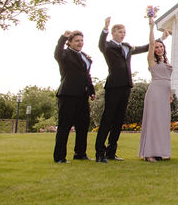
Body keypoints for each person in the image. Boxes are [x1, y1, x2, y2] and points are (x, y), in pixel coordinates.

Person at [95, 17, 148, 163]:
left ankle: (112, 151)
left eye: (124, 32)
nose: (122, 34)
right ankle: (100, 152)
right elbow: (100, 44)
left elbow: (144, 48)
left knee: (119, 120)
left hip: (126, 86)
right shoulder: (108, 46)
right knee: (108, 119)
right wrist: (104, 28)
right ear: (113, 33)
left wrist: (159, 39)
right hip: (113, 86)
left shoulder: (127, 46)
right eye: (119, 32)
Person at [52, 30, 95, 162]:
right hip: (68, 95)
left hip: (82, 96)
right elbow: (57, 53)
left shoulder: (85, 57)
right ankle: (59, 157)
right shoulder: (65, 54)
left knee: (83, 126)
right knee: (65, 126)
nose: (80, 43)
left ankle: (80, 153)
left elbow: (86, 75)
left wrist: (91, 90)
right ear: (69, 43)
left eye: (81, 40)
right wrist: (62, 38)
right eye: (76, 41)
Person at [138, 19, 172, 161]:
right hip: (155, 92)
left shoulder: (166, 62)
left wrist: (170, 94)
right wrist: (152, 27)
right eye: (157, 47)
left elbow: (168, 79)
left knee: (162, 122)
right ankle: (149, 153)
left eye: (161, 47)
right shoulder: (151, 61)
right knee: (153, 120)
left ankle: (160, 151)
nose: (159, 49)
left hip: (165, 93)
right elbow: (151, 43)